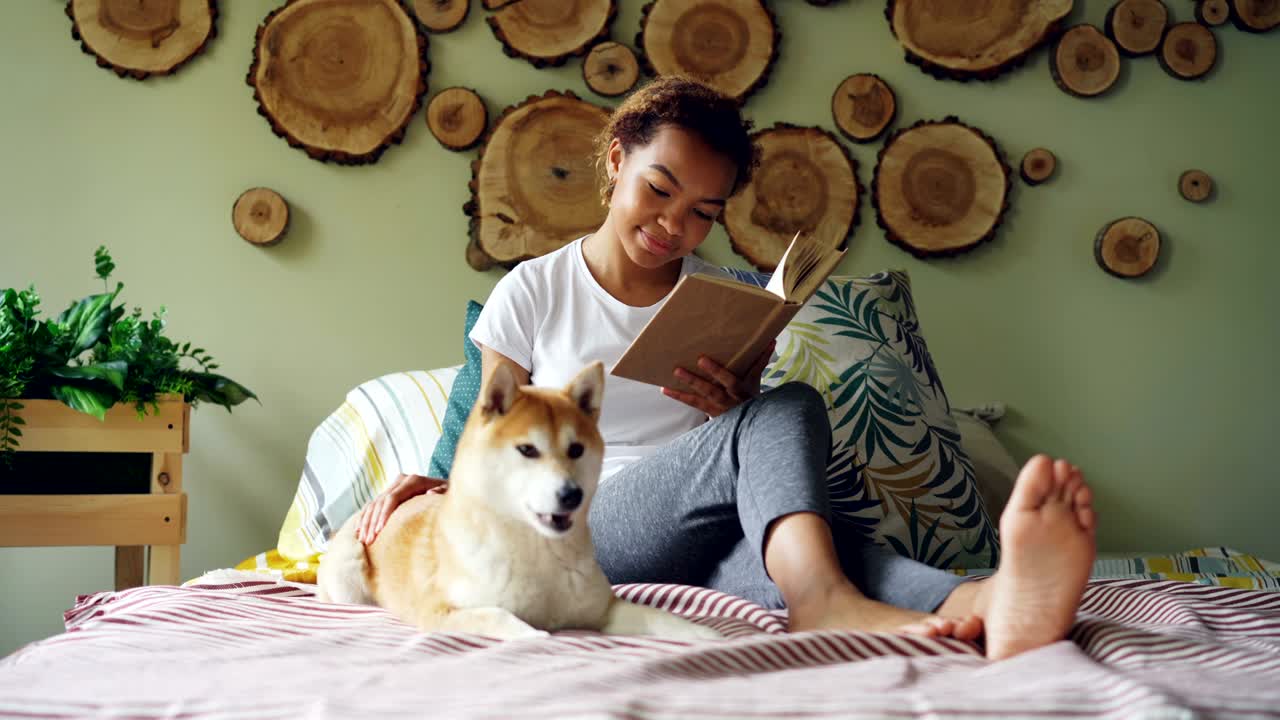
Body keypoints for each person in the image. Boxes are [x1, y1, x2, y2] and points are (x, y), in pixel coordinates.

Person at [355, 76, 1097, 660]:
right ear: (617, 160)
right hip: (584, 528)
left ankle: (982, 606)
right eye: (658, 190)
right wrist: (427, 482)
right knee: (789, 410)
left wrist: (730, 406)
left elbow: (745, 455)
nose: (674, 226)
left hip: (690, 539)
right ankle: (826, 603)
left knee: (803, 549)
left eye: (703, 212)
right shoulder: (537, 287)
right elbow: (483, 416)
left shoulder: (723, 295)